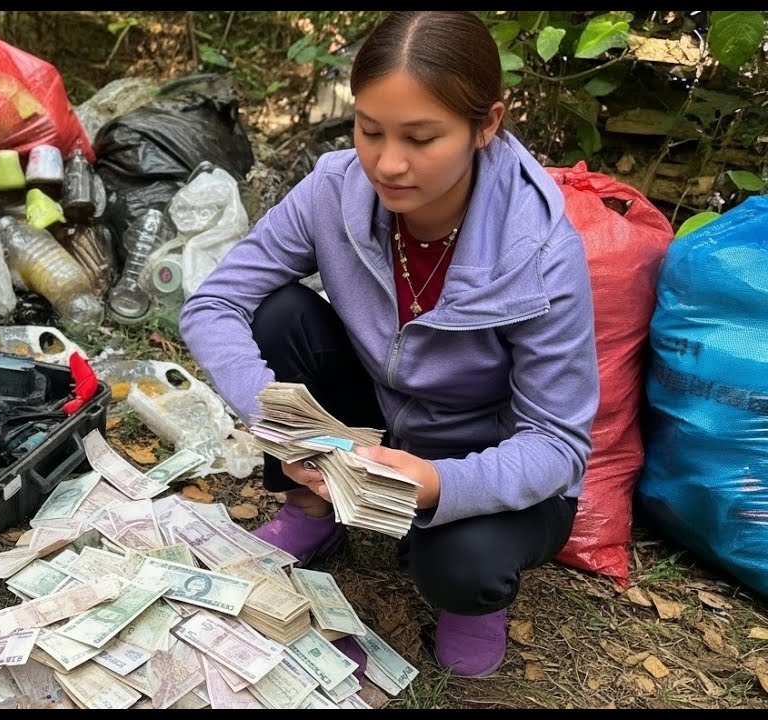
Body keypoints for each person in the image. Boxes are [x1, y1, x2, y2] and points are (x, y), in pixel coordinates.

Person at [179, 10, 598, 679]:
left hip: (486, 454)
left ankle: (469, 594)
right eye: (370, 131)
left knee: (461, 568)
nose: (387, 163)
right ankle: (315, 506)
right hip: (380, 415)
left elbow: (557, 441)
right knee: (281, 314)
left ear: (486, 125)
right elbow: (213, 303)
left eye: (421, 138)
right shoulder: (334, 190)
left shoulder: (539, 250)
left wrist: (437, 482)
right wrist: (277, 420)